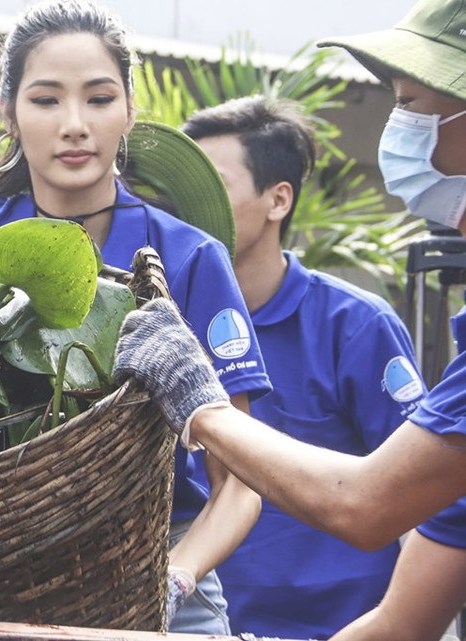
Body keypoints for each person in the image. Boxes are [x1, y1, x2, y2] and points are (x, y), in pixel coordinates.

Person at [0, 0, 272, 633]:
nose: (75, 124)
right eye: (46, 100)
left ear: (129, 110)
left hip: (155, 557)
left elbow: (242, 481)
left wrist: (176, 575)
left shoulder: (189, 258)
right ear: (9, 113)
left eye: (98, 99)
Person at [114, 0, 466, 638]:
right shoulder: (155, 317)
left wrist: (201, 401)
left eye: (413, 104)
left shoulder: (352, 326)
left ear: (279, 199)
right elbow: (407, 620)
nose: (399, 126)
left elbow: (373, 503)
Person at [181, 94, 425, 639]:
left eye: (212, 185)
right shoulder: (158, 330)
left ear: (278, 200)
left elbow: (426, 501)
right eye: (178, 189)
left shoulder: (356, 326)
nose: (186, 206)